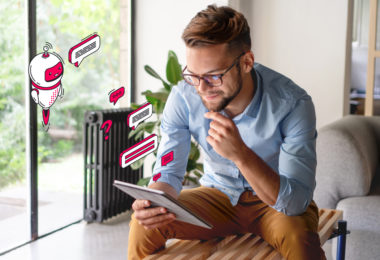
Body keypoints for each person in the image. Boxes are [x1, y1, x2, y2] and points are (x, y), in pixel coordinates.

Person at [128, 5, 326, 260]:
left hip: (275, 203)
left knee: (300, 240)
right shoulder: (183, 98)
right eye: (193, 75)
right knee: (143, 226)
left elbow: (295, 202)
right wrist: (154, 201)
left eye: (213, 76)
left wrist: (241, 155)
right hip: (217, 196)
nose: (201, 87)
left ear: (246, 62)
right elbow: (168, 171)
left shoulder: (293, 104)